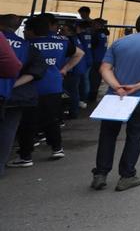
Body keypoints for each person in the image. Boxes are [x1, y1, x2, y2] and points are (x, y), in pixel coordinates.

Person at [91, 13, 140, 191]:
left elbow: (104, 68)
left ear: (136, 25)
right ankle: (126, 176)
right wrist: (138, 86)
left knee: (107, 135)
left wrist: (117, 86)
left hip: (115, 96)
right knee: (135, 136)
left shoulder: (119, 43)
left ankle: (100, 173)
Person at [10, 15, 82, 167]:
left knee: (27, 122)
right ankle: (57, 148)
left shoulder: (28, 44)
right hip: (54, 85)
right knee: (52, 119)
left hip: (33, 86)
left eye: (26, 30)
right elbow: (80, 53)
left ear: (31, 31)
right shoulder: (62, 42)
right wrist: (64, 69)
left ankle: (25, 156)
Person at [0, 15, 46, 177]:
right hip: (17, 95)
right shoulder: (27, 46)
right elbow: (37, 71)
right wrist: (14, 84)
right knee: (8, 130)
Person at [87, 18, 109, 103]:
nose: (92, 26)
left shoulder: (96, 34)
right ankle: (93, 95)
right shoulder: (103, 33)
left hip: (95, 59)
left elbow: (92, 46)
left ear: (98, 25)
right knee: (97, 78)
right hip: (101, 59)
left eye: (94, 24)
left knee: (92, 78)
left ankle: (91, 96)